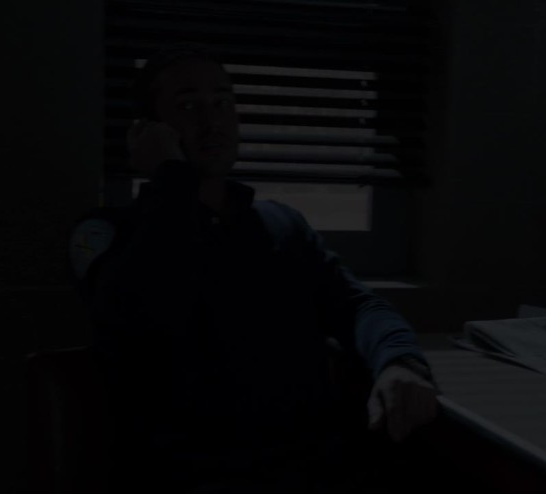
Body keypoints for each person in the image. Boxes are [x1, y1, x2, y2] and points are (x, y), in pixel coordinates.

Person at [69, 42, 442, 493]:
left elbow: (357, 305)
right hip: (189, 475)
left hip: (314, 466)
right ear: (149, 131)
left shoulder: (280, 225)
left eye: (222, 102)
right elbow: (146, 312)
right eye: (187, 106)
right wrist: (171, 178)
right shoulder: (103, 233)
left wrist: (400, 362)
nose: (212, 122)